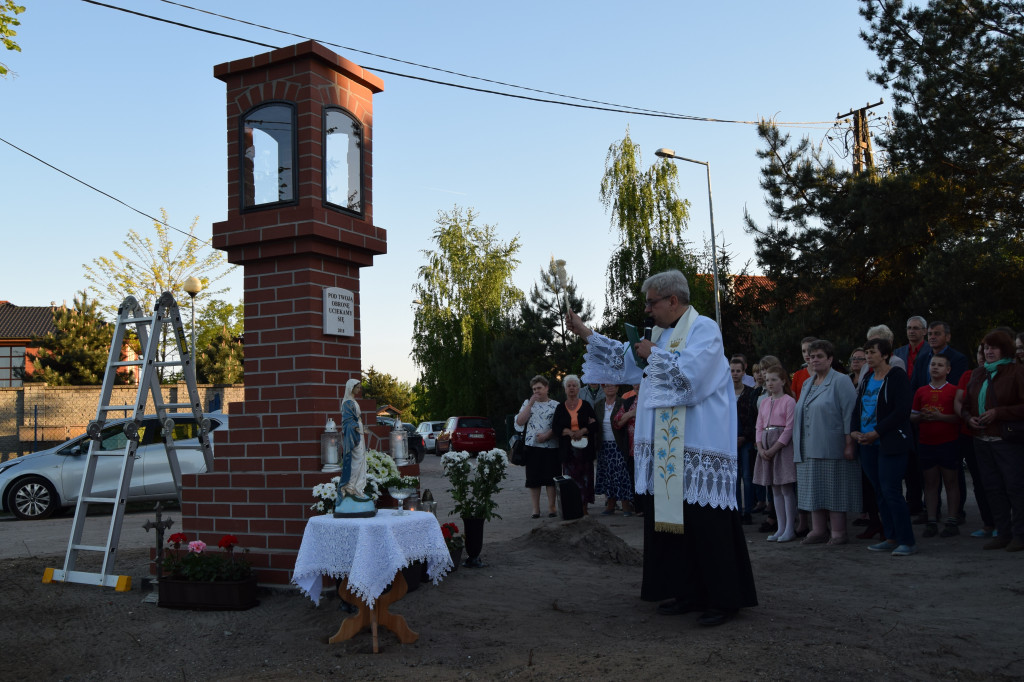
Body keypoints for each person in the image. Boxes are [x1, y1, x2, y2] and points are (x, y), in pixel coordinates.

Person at [565, 269, 757, 627]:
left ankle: (722, 598)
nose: (647, 310)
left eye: (651, 302)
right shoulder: (662, 334)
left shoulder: (704, 330)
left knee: (706, 524)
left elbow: (691, 379)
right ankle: (687, 591)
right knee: (675, 526)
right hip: (667, 452)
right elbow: (625, 360)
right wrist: (585, 332)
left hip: (699, 445)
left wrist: (653, 353)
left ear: (673, 299)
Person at [851, 338, 917, 556]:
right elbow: (858, 406)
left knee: (891, 490)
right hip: (867, 443)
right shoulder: (868, 377)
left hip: (889, 442)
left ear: (886, 354)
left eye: (872, 352)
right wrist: (854, 431)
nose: (868, 356)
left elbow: (901, 411)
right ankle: (890, 537)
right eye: (866, 352)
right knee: (879, 491)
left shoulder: (897, 377)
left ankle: (906, 540)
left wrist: (877, 432)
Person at [960, 330, 1024, 552]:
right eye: (986, 347)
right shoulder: (978, 373)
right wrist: (969, 419)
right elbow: (966, 405)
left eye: (993, 347)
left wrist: (999, 412)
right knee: (993, 488)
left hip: (1007, 440)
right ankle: (1003, 533)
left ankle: (1020, 535)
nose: (988, 351)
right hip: (981, 439)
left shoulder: (1017, 372)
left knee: (1015, 488)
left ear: (1004, 350)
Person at [792, 339, 860, 545]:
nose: (814, 360)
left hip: (832, 444)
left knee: (834, 489)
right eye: (811, 357)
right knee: (813, 489)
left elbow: (850, 413)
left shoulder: (840, 381)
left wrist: (850, 443)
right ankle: (819, 530)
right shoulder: (806, 383)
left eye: (819, 356)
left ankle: (839, 532)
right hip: (806, 446)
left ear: (830, 359)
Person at [911, 353, 962, 538]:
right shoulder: (921, 391)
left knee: (951, 481)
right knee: (930, 483)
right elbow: (912, 416)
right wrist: (921, 417)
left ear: (948, 369)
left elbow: (960, 417)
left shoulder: (954, 390)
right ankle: (932, 520)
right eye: (933, 364)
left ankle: (952, 520)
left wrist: (941, 418)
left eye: (940, 365)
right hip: (926, 443)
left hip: (948, 443)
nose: (935, 367)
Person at [954, 344, 997, 538]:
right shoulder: (969, 375)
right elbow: (960, 402)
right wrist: (967, 418)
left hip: (998, 435)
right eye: (980, 351)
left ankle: (1005, 524)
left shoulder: (1006, 374)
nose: (983, 355)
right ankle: (989, 523)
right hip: (970, 434)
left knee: (1002, 481)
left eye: (988, 351)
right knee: (980, 481)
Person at [754, 365, 797, 542]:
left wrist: (774, 448)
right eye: (768, 380)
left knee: (786, 488)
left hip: (781, 446)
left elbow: (789, 428)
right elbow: (758, 426)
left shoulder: (789, 401)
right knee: (774, 489)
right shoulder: (764, 402)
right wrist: (760, 447)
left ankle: (790, 528)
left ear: (783, 381)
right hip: (766, 444)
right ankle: (780, 527)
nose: (770, 383)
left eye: (774, 380)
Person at [514, 375, 560, 519]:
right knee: (533, 479)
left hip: (551, 446)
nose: (537, 391)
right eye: (534, 389)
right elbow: (520, 422)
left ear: (546, 388)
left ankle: (552, 507)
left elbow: (558, 424)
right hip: (532, 446)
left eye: (539, 388)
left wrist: (547, 435)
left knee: (551, 478)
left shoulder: (556, 405)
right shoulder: (528, 403)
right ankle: (536, 509)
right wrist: (529, 405)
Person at [552, 375, 598, 515]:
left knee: (586, 478)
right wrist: (567, 431)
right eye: (569, 386)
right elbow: (555, 427)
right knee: (570, 480)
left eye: (574, 385)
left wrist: (583, 430)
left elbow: (595, 424)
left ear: (579, 388)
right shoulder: (560, 408)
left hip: (585, 449)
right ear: (565, 389)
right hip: (568, 450)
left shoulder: (586, 405)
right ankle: (572, 507)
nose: (571, 388)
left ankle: (584, 508)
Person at [595, 384, 634, 516]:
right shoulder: (599, 404)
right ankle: (610, 505)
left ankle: (626, 506)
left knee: (622, 475)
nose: (610, 387)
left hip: (619, 444)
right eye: (606, 385)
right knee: (607, 475)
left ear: (617, 387)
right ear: (603, 388)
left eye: (613, 385)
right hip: (604, 445)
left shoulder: (623, 402)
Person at [732, 358, 760, 523]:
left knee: (747, 476)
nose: (735, 374)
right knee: (733, 477)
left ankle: (747, 511)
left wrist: (745, 437)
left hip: (746, 439)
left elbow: (753, 418)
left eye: (738, 371)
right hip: (729, 440)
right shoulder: (723, 393)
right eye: (732, 370)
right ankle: (736, 509)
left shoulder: (750, 393)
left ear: (743, 372)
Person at [338, 378, 368, 499]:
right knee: (356, 460)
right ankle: (351, 486)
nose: (359, 389)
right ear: (351, 388)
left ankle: (357, 487)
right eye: (357, 387)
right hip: (354, 435)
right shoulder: (347, 403)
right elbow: (347, 422)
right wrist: (356, 428)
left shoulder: (352, 401)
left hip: (358, 433)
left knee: (360, 460)